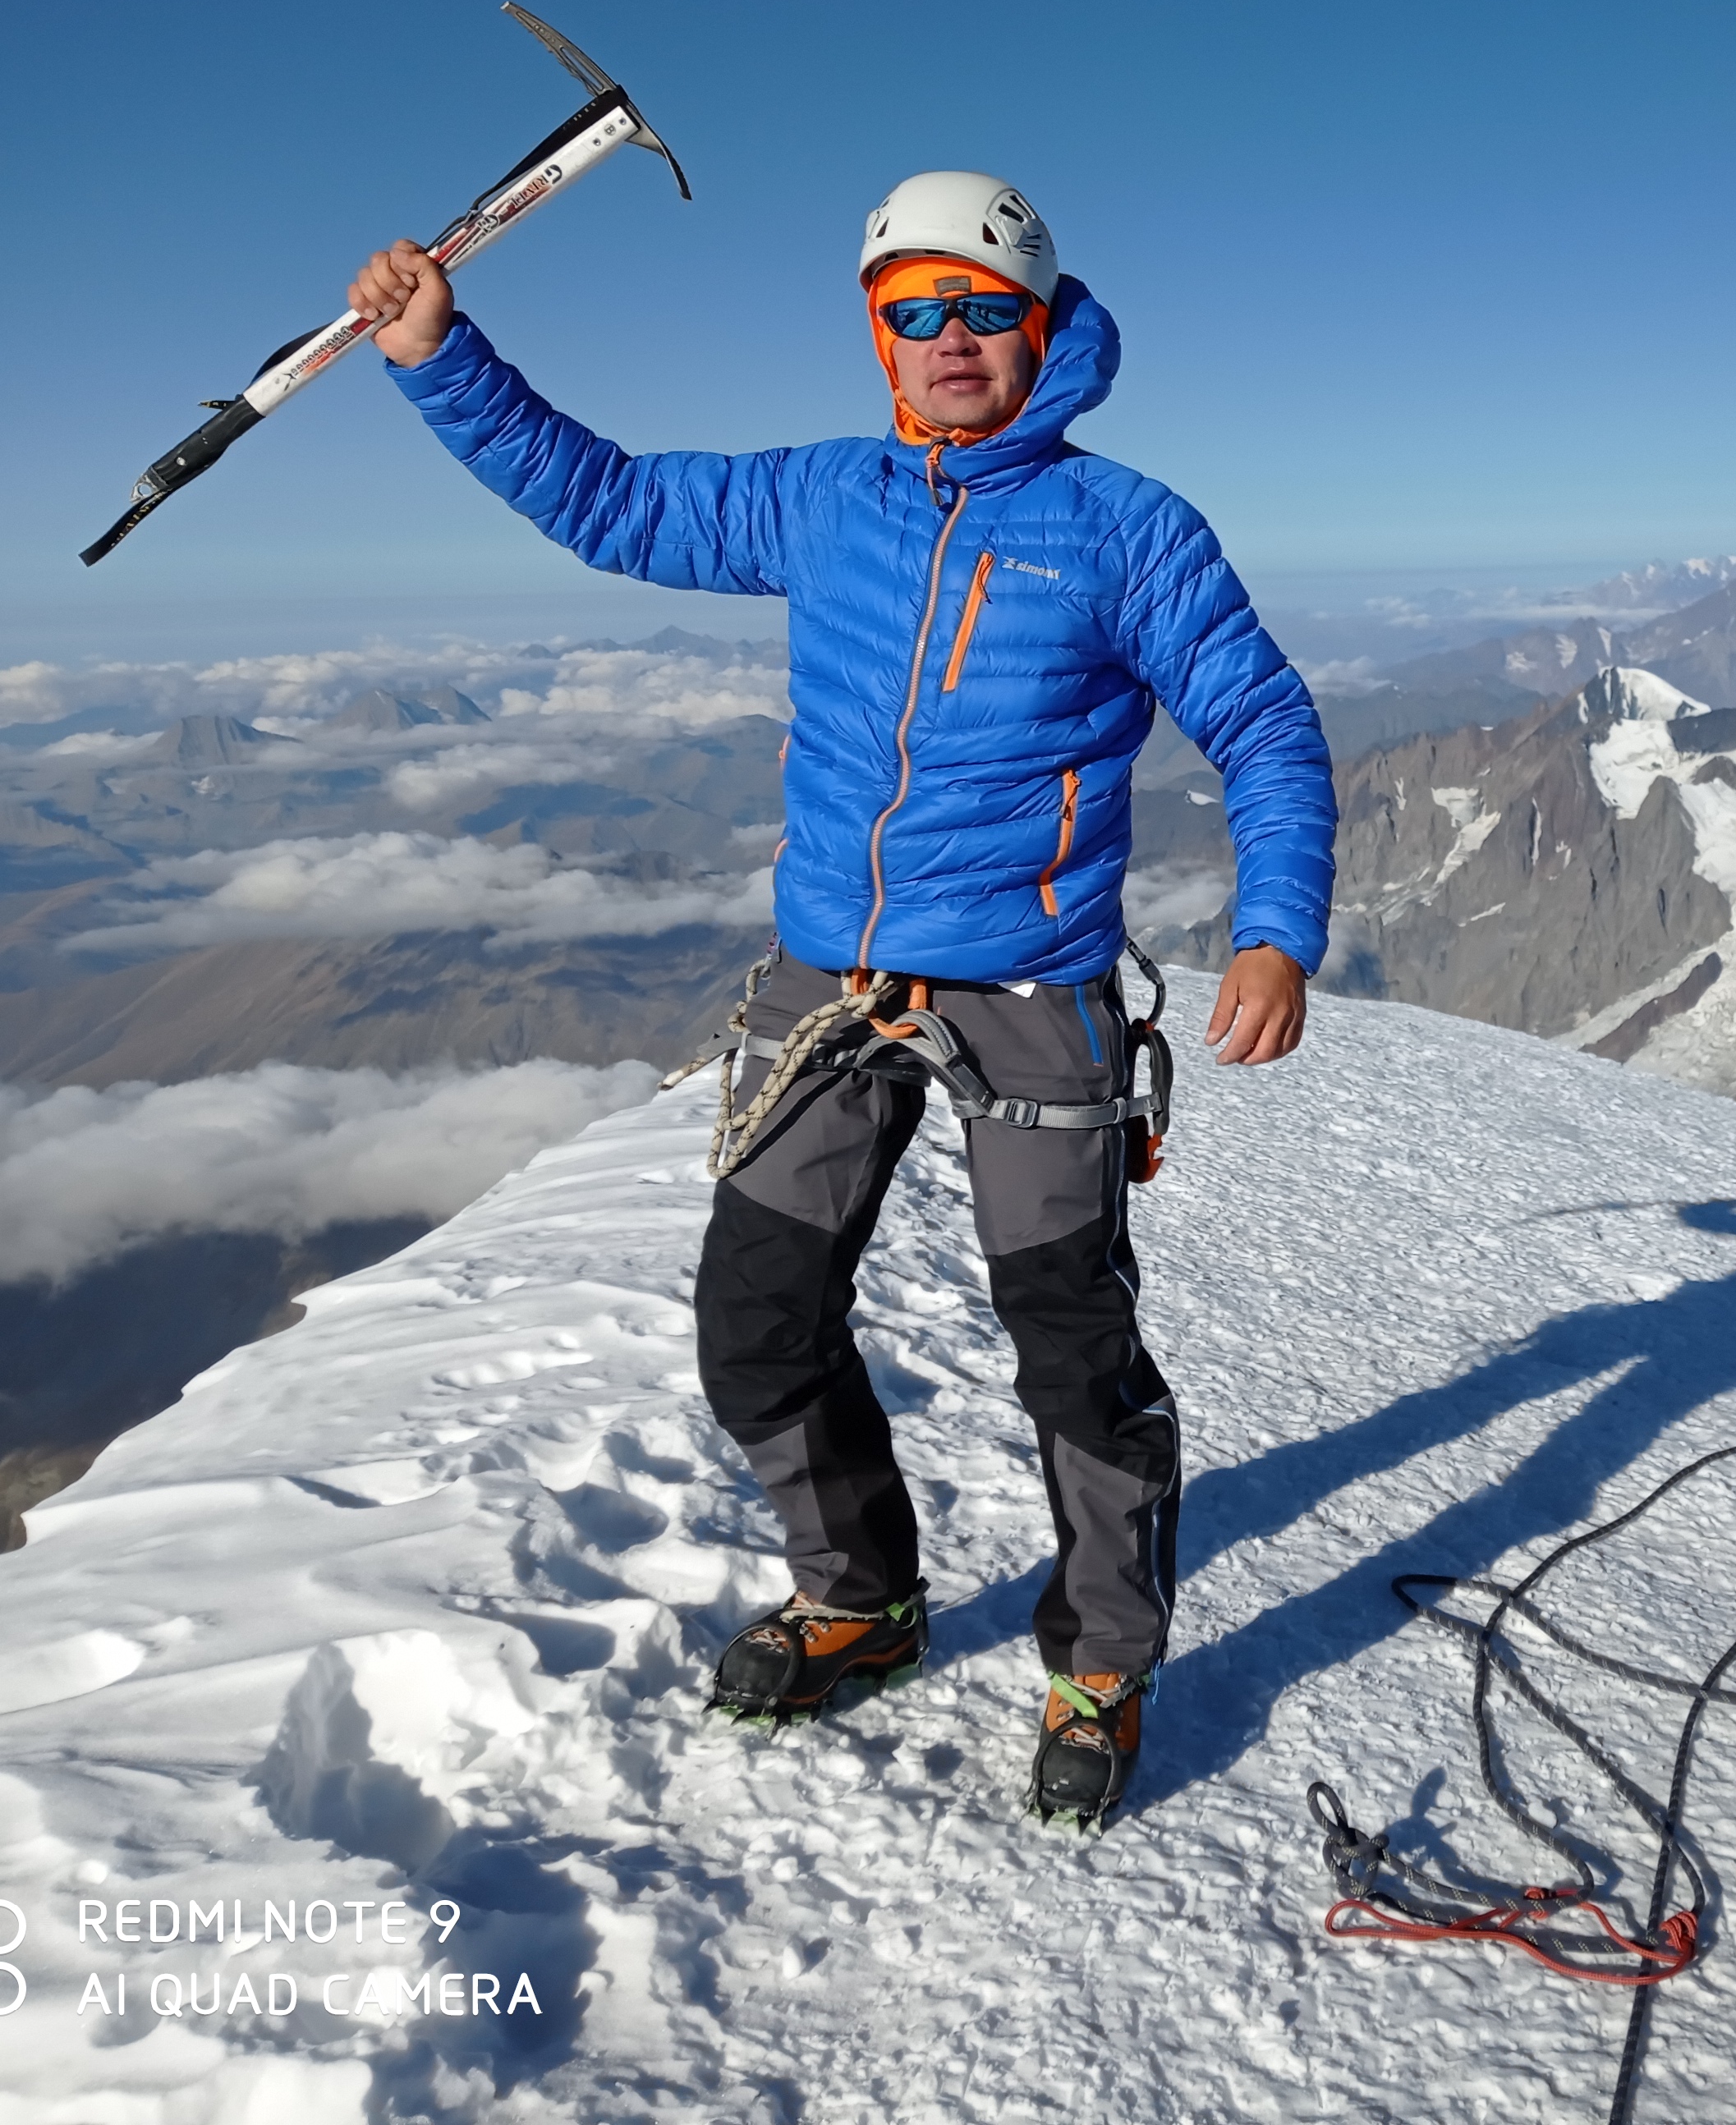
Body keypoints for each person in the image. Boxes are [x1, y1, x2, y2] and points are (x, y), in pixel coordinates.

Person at [345, 171, 1335, 1824]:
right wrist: (443, 358)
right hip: (832, 975)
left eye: (982, 308)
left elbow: (1266, 726)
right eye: (913, 312)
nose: (949, 339)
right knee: (757, 1318)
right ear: (879, 337)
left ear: (1042, 326)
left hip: (1029, 981)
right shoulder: (824, 497)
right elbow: (612, 504)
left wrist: (1274, 927)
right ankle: (860, 1600)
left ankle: (1100, 1657)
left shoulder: (1125, 528)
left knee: (1070, 1347)